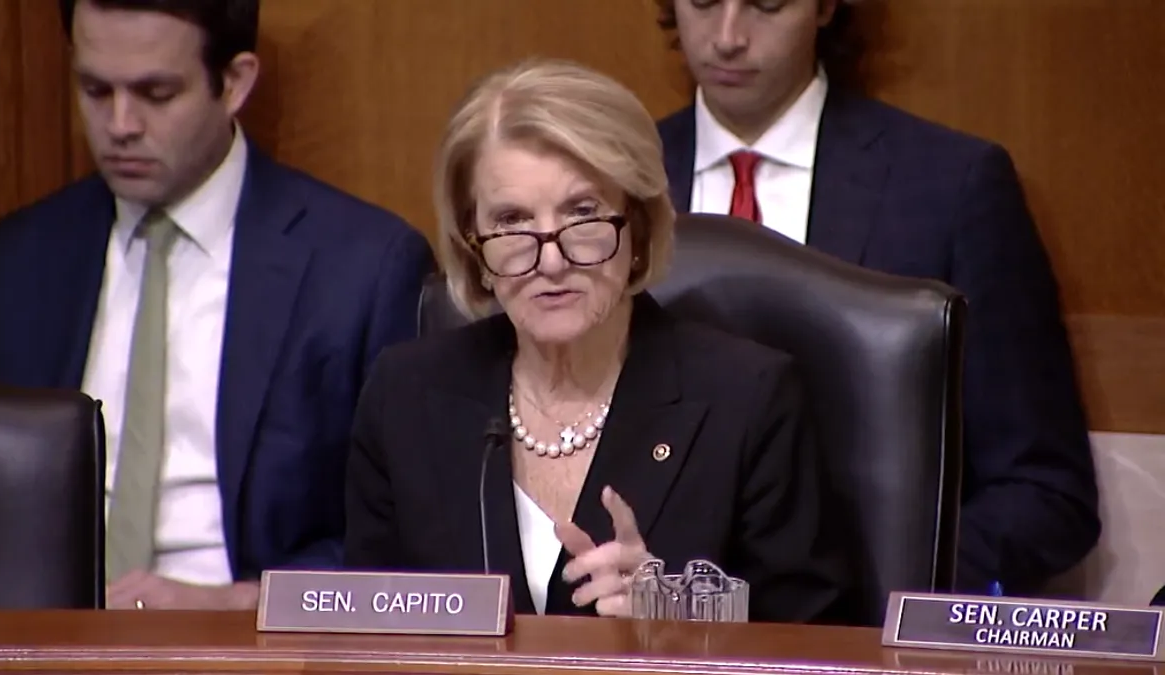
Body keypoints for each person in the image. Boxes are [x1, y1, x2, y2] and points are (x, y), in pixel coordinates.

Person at [0, 0, 435, 609]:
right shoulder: (8, 263)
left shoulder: (362, 268)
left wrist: (243, 605)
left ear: (234, 82)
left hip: (251, 645)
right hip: (40, 641)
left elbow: (403, 538)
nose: (120, 123)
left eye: (156, 93)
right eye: (94, 89)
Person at [343, 58, 847, 622]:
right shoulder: (407, 395)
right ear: (473, 249)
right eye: (511, 222)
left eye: (582, 214)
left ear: (637, 228)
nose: (551, 260)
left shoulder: (748, 400)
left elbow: (813, 638)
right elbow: (368, 630)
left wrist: (682, 619)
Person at [653, 0, 1100, 595]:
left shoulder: (952, 188)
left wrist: (884, 590)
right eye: (704, 0)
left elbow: (1046, 492)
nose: (728, 37)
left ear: (825, 7)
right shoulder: (608, 188)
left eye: (767, 3)